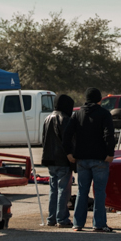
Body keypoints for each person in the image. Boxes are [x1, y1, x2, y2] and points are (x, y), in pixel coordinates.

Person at [63, 87, 116, 233]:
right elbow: (109, 135)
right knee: (99, 192)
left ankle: (78, 224)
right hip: (100, 159)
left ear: (86, 99)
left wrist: (69, 153)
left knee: (82, 191)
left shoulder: (77, 114)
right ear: (99, 100)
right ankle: (98, 224)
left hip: (81, 159)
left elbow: (66, 135)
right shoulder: (104, 114)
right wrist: (110, 153)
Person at [40, 94, 75, 228]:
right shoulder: (65, 119)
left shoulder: (47, 118)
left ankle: (51, 218)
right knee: (63, 190)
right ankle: (62, 218)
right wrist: (71, 155)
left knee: (53, 190)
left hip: (50, 159)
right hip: (62, 159)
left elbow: (44, 139)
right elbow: (68, 141)